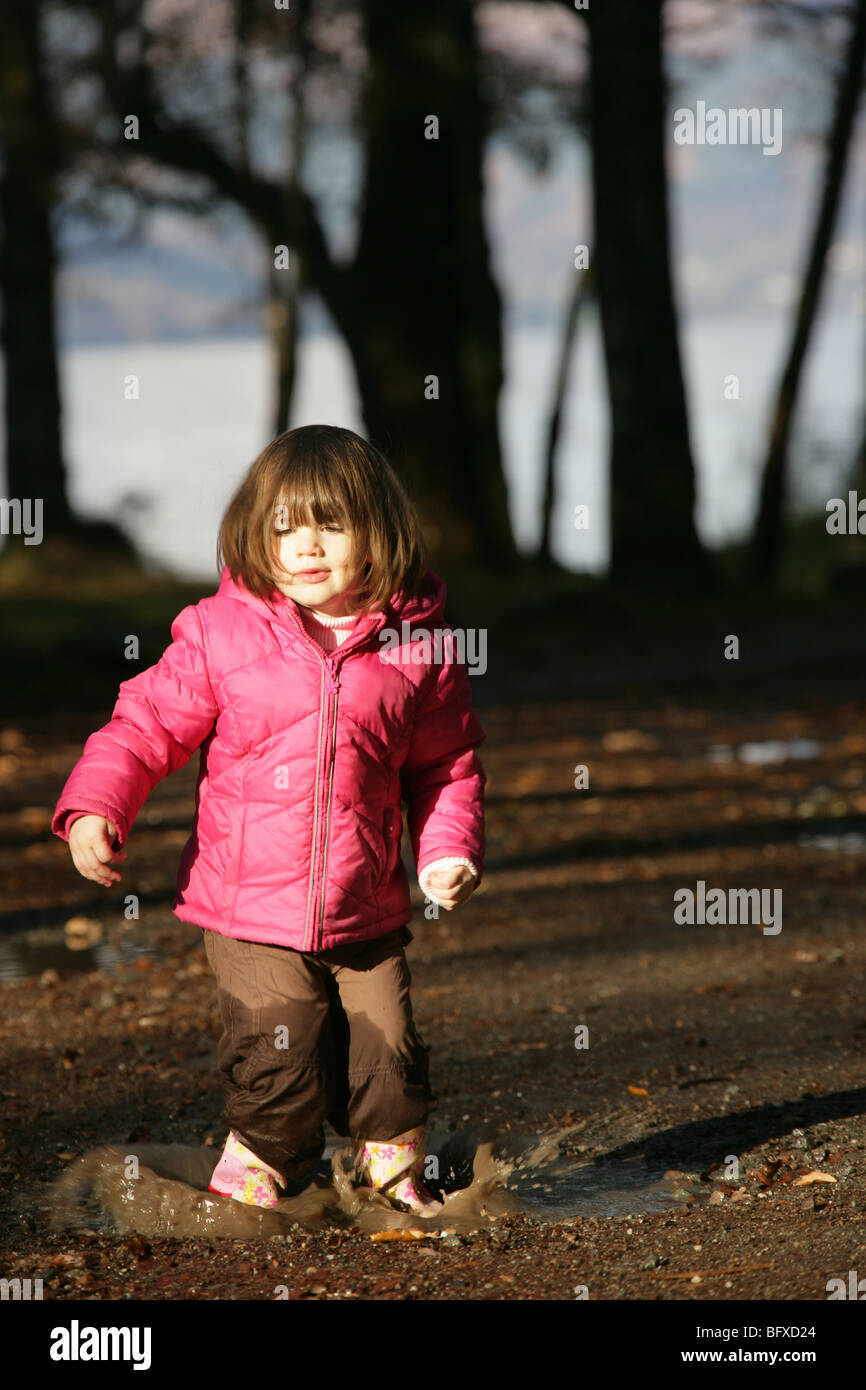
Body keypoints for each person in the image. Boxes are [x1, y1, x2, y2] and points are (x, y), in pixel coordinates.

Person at [51, 423, 486, 1218]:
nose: (305, 547)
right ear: (257, 533)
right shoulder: (222, 634)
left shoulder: (419, 650)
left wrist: (446, 851)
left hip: (367, 904)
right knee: (279, 1060)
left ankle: (391, 1178)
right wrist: (96, 805)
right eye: (285, 526)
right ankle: (254, 1178)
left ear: (377, 531)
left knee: (390, 1056)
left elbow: (445, 767)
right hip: (248, 906)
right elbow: (143, 726)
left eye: (330, 524)